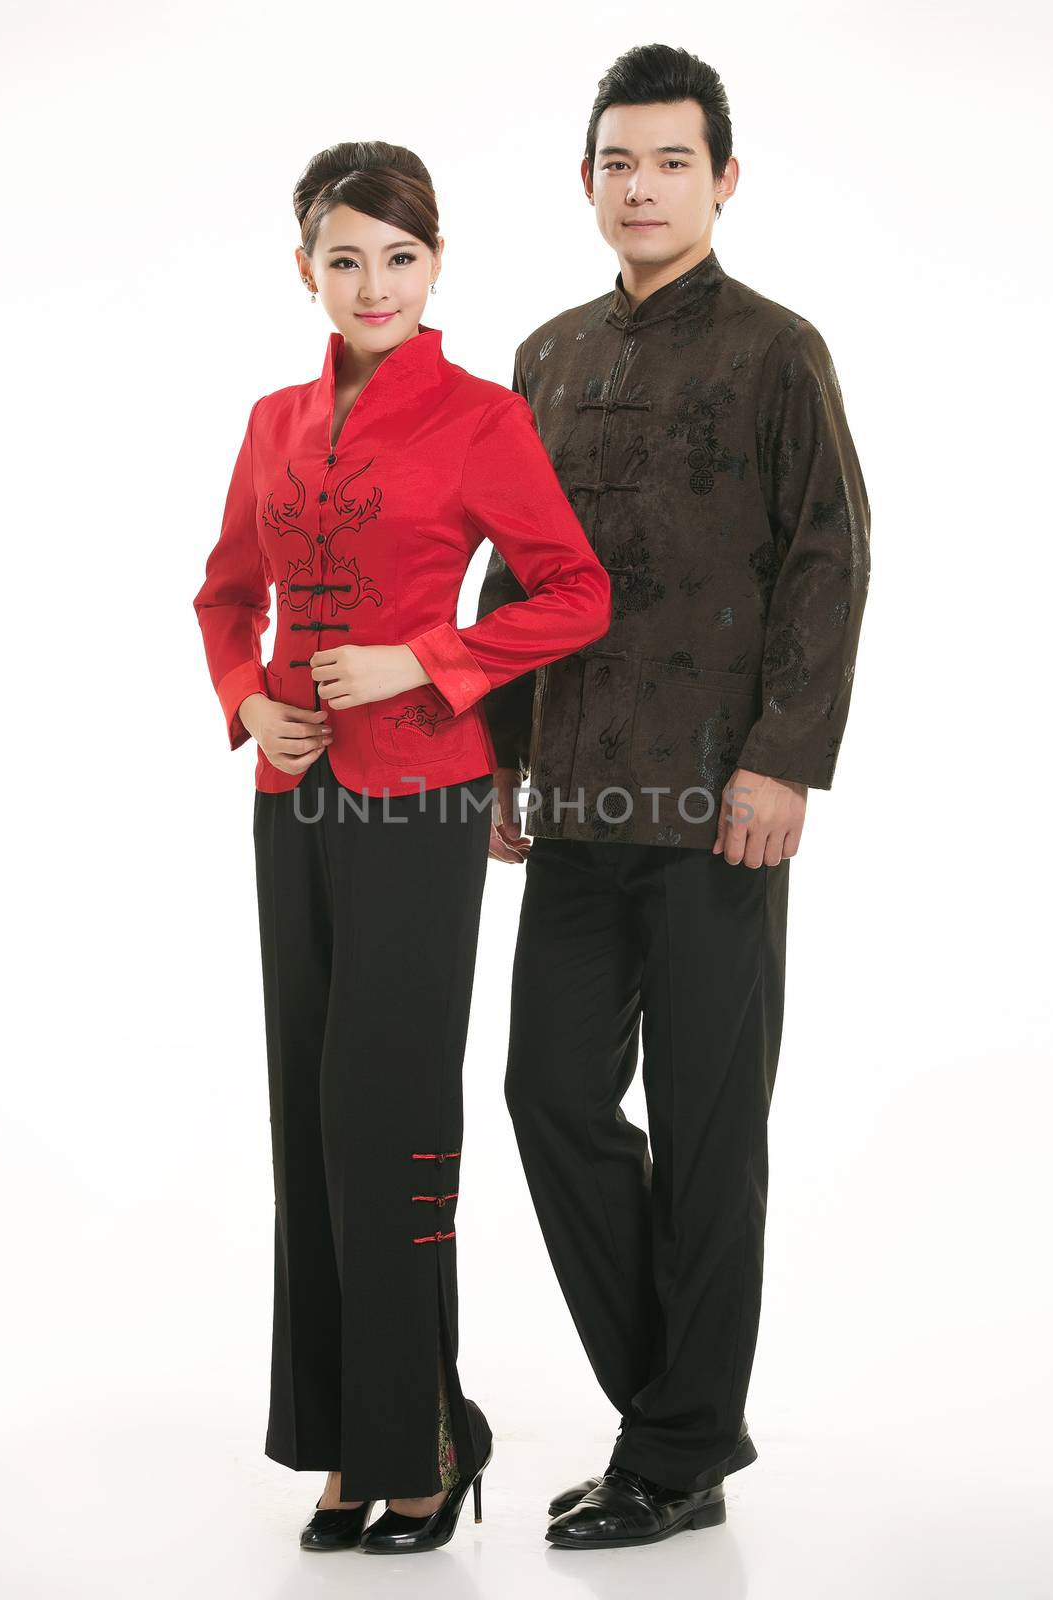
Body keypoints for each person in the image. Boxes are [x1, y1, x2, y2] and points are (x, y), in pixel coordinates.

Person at [476, 44, 871, 1550]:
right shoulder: (547, 354)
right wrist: (504, 755)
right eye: (619, 164)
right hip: (574, 797)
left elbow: (829, 556)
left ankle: (675, 1448)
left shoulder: (780, 350)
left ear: (723, 177)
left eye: (673, 163)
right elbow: (513, 574)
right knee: (551, 1090)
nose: (643, 189)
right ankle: (683, 1419)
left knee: (709, 1127)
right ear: (587, 181)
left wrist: (783, 758)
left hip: (720, 805)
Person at [192, 140, 612, 1555]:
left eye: (401, 256)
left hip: (425, 795)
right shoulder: (268, 422)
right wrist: (251, 699)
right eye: (345, 256)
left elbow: (572, 592)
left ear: (437, 266)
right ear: (303, 267)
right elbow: (224, 596)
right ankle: (338, 1448)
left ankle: (423, 1439)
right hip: (293, 803)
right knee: (308, 1115)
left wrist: (429, 661)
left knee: (390, 1114)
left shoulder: (484, 420)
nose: (373, 283)